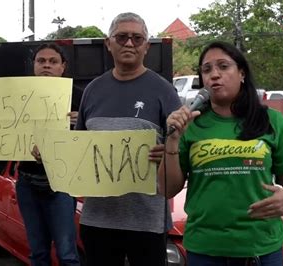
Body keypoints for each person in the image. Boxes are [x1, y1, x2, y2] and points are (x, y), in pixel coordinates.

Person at [158, 41, 283, 266]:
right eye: (207, 69)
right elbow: (167, 189)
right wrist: (172, 140)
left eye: (223, 66)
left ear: (242, 74)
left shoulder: (271, 120)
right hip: (205, 250)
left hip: (261, 250)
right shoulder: (192, 125)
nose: (214, 75)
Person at [74, 12, 181, 266]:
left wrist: (166, 151)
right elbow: (79, 148)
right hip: (97, 219)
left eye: (137, 38)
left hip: (147, 221)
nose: (129, 43)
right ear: (108, 43)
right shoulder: (92, 90)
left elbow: (179, 148)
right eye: (121, 37)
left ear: (146, 46)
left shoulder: (164, 90)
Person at [17, 43, 80, 266]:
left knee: (67, 254)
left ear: (63, 67)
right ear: (34, 65)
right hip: (27, 182)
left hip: (61, 185)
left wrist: (79, 122)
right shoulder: (18, 95)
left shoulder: (78, 96)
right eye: (41, 61)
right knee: (38, 252)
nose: (46, 66)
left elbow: (93, 139)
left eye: (53, 62)